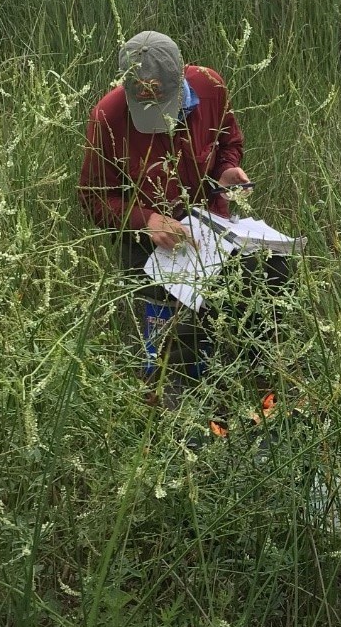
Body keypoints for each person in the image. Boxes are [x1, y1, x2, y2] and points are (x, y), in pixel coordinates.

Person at [78, 29, 253, 385]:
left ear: (181, 79)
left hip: (210, 232)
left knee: (220, 318)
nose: (159, 122)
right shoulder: (108, 116)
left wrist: (226, 171)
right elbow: (94, 198)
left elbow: (228, 141)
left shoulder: (210, 86)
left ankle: (216, 386)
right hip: (148, 246)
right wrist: (147, 220)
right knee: (167, 348)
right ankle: (165, 397)